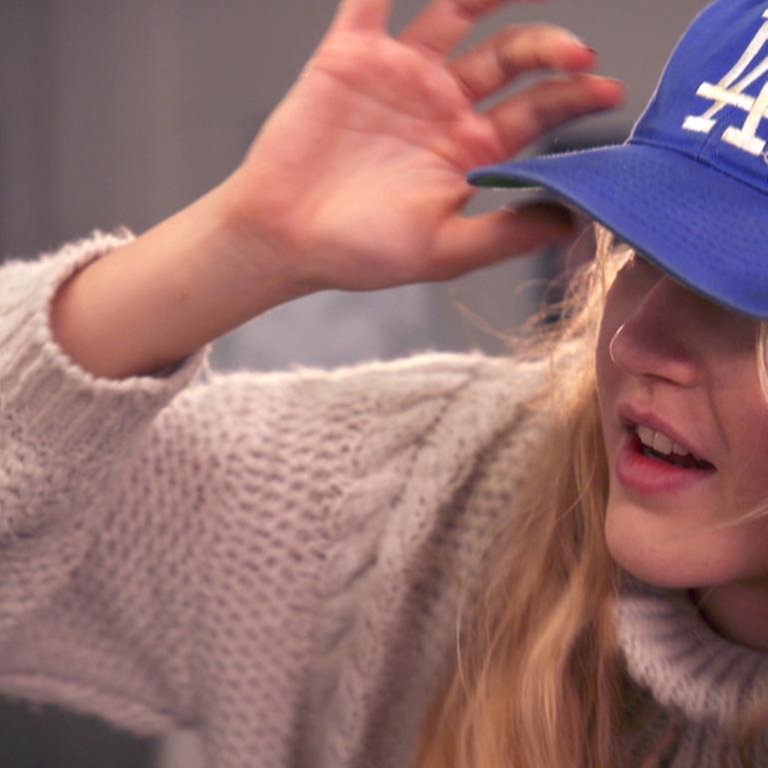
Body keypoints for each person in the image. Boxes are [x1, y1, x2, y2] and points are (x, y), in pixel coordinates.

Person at [1, 0, 766, 765]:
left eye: (748, 306)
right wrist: (234, 247)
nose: (636, 342)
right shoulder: (434, 504)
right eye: (645, 255)